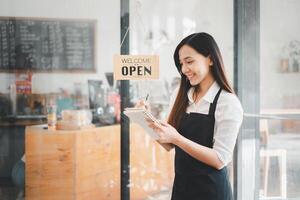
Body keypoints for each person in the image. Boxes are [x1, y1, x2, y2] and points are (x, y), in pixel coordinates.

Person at [137, 32, 243, 200]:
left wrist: (177, 138)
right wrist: (145, 119)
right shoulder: (180, 96)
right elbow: (168, 144)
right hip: (182, 189)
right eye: (181, 64)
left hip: (212, 192)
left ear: (210, 59)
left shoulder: (227, 102)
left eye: (189, 61)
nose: (184, 69)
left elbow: (220, 159)